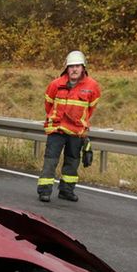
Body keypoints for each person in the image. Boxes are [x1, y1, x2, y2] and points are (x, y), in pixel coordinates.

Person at [38, 50, 100, 203]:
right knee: (50, 161)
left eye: (77, 66)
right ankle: (44, 191)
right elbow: (48, 104)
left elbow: (90, 108)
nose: (74, 69)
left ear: (83, 67)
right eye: (71, 66)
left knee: (72, 162)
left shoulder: (92, 86)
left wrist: (80, 122)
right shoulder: (55, 84)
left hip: (76, 131)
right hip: (57, 129)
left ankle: (67, 191)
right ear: (66, 68)